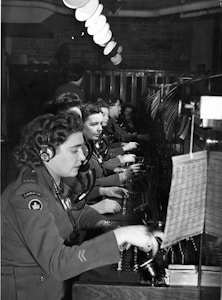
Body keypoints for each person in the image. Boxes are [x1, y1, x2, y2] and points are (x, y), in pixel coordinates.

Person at [1, 111, 159, 300]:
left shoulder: (48, 180)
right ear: (46, 153)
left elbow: (71, 212)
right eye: (74, 150)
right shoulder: (27, 198)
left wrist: (105, 226)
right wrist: (119, 236)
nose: (83, 158)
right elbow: (58, 263)